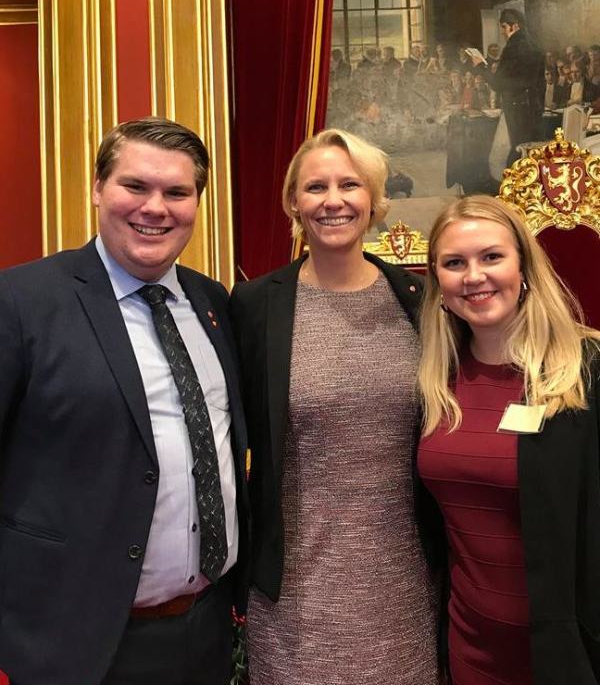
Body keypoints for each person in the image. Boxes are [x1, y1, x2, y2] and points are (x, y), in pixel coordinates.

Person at [0, 117, 249, 685]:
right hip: (72, 640)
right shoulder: (21, 301)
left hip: (206, 629)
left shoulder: (214, 304)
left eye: (177, 192)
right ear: (97, 189)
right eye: (135, 186)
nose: (155, 207)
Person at [229, 128, 439, 685]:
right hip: (295, 588)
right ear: (293, 203)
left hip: (405, 580)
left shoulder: (420, 301)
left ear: (374, 199)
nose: (333, 200)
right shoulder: (253, 307)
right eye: (315, 186)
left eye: (350, 184)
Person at [417, 194, 600, 685]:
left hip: (568, 649)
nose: (473, 276)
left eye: (491, 257)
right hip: (470, 645)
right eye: (454, 263)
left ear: (524, 267)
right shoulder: (436, 381)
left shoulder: (587, 368)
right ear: (438, 283)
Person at [474, 9, 545, 165]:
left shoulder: (512, 48)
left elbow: (498, 84)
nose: (502, 32)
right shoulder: (535, 46)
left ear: (515, 26)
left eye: (504, 27)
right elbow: (541, 83)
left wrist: (481, 67)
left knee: (517, 150)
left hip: (517, 108)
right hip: (534, 106)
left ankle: (513, 186)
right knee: (531, 152)